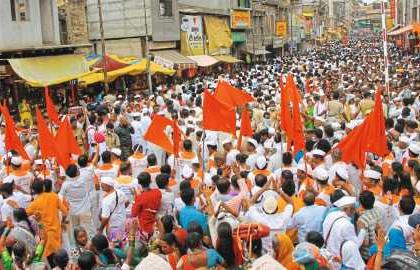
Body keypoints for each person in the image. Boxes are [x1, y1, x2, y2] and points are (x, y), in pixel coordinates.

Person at [26, 179, 69, 260]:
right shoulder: (54, 196)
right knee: (60, 257)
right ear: (43, 187)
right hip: (57, 231)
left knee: (50, 258)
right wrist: (63, 221)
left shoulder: (34, 203)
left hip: (45, 234)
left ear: (33, 190)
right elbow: (65, 211)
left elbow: (24, 214)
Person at [131, 172, 162, 243]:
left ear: (139, 183)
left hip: (144, 227)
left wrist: (136, 197)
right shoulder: (157, 192)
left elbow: (133, 213)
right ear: (150, 181)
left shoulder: (140, 197)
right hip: (157, 225)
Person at [98, 177, 128, 242]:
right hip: (122, 223)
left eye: (102, 185)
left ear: (108, 185)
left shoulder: (106, 200)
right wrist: (120, 210)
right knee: (123, 242)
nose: (101, 187)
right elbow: (127, 202)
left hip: (113, 227)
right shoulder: (120, 192)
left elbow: (105, 218)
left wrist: (100, 229)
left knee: (115, 245)